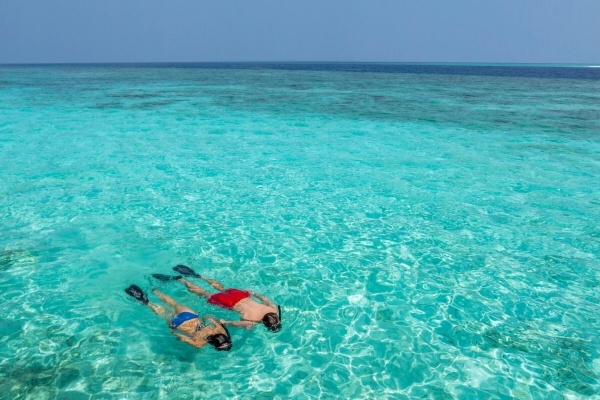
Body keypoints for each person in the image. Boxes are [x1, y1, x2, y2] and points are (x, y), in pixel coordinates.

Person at [152, 265, 282, 333]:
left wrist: (253, 293)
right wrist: (224, 322)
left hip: (241, 295)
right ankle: (182, 280)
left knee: (222, 288)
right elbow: (234, 323)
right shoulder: (252, 322)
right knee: (203, 293)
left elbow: (264, 298)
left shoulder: (273, 309)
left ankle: (200, 277)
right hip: (229, 303)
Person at [124, 284, 232, 351]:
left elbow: (210, 317)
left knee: (173, 304)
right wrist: (173, 331)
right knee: (163, 312)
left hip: (189, 316)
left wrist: (203, 319)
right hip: (179, 325)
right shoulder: (200, 344)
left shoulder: (220, 330)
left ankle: (155, 290)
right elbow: (182, 338)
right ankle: (146, 302)